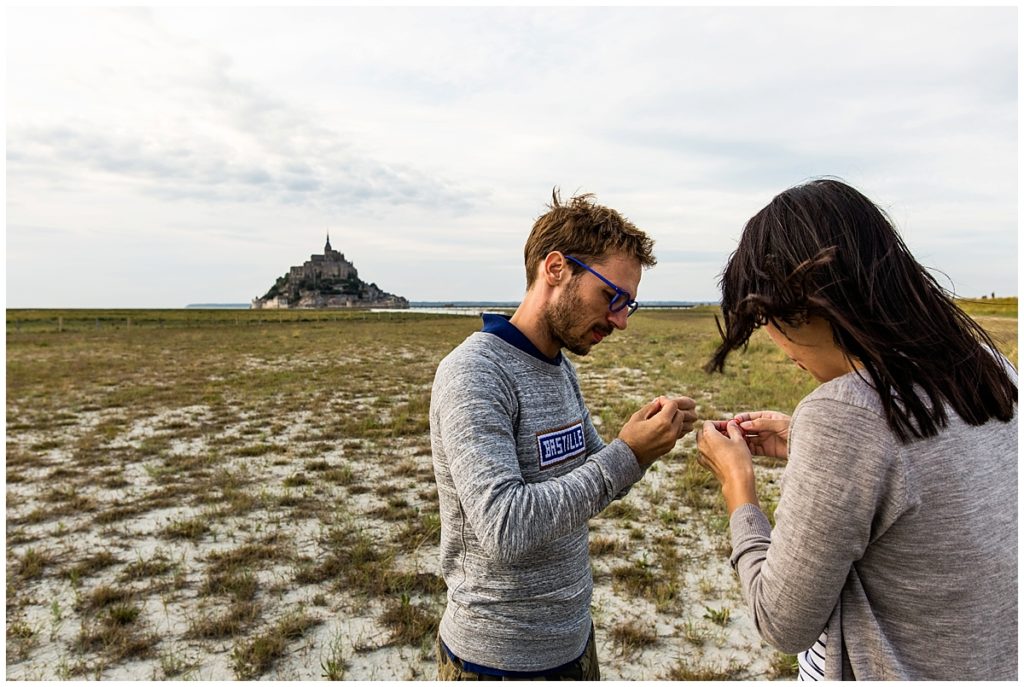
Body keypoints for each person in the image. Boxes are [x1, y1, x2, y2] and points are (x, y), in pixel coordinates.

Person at [694, 178, 1018, 680]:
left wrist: (738, 487)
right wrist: (803, 440)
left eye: (764, 321)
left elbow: (780, 622)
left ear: (801, 309)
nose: (778, 343)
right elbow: (926, 472)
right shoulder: (990, 368)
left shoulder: (845, 413)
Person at [429, 190, 697, 680]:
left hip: (572, 642)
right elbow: (505, 528)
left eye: (628, 305)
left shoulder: (558, 368)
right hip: (496, 659)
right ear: (555, 269)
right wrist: (627, 454)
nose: (619, 320)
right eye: (611, 296)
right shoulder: (475, 373)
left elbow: (600, 473)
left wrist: (646, 444)